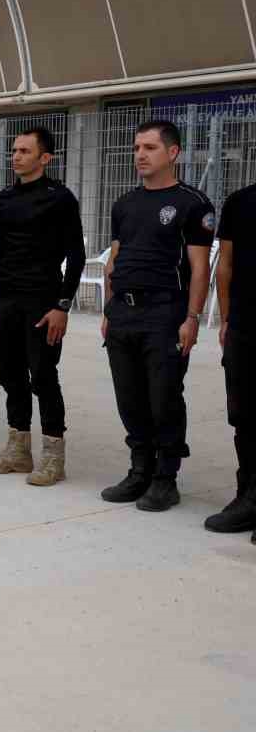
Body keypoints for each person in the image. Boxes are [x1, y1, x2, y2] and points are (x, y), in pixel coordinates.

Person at [100, 120, 215, 511]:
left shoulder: (192, 203)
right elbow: (115, 258)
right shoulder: (125, 203)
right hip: (123, 314)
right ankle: (140, 470)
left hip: (165, 313)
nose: (140, 155)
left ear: (173, 153)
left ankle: (166, 478)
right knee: (129, 397)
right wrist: (108, 309)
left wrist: (192, 318)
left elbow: (200, 268)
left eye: (149, 148)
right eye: (136, 148)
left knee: (163, 397)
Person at [0, 127, 85, 484]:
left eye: (25, 151)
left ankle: (54, 457)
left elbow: (77, 255)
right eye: (14, 150)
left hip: (42, 299)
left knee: (42, 375)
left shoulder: (61, 198)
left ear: (45, 158)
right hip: (7, 298)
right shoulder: (6, 196)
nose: (16, 156)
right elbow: (3, 249)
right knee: (9, 374)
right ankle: (18, 450)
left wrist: (62, 306)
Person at [206, 181, 254, 537]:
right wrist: (226, 320)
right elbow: (225, 264)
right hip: (246, 327)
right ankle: (247, 497)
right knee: (244, 414)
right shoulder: (240, 202)